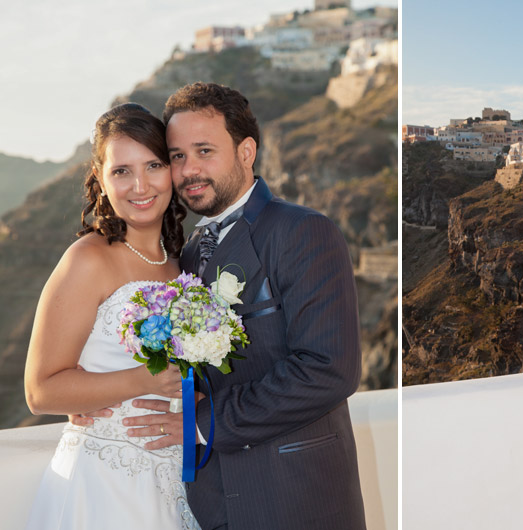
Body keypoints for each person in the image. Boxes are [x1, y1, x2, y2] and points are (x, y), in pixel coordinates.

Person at [76, 82, 367, 529]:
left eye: (204, 151)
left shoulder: (304, 232)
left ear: (246, 152)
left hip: (294, 497)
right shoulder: (184, 257)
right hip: (210, 503)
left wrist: (201, 426)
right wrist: (101, 395)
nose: (189, 169)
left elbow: (328, 369)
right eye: (176, 156)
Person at [23, 103, 200, 529]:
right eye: (121, 171)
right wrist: (140, 381)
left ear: (172, 173)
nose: (140, 185)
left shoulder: (184, 264)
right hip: (104, 486)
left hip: (177, 482)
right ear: (100, 179)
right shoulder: (89, 259)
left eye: (154, 165)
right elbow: (40, 390)